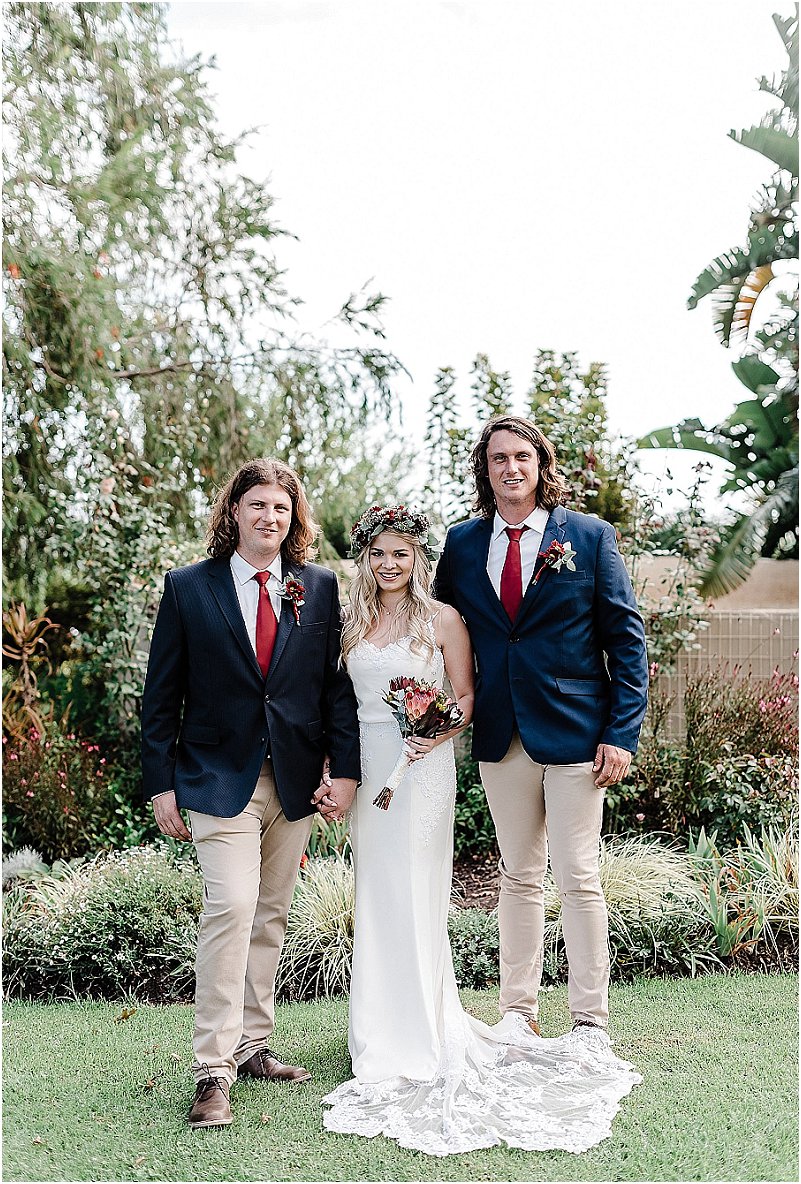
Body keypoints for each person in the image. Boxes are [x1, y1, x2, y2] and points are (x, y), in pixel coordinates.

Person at [319, 504, 641, 1156]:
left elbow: (468, 693)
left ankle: (581, 1021)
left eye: (401, 552)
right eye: (378, 552)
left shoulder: (448, 615)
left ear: (418, 558)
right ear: (364, 557)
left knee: (561, 878)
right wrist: (337, 767)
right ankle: (412, 1022)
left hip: (462, 760)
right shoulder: (354, 618)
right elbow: (335, 702)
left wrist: (432, 731)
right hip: (383, 768)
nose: (389, 563)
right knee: (388, 891)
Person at [141, 458, 360, 1129]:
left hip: (294, 779)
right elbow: (161, 696)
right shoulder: (188, 588)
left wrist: (343, 771)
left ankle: (252, 1044)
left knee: (269, 914)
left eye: (281, 508)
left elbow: (334, 689)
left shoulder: (317, 587)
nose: (270, 517)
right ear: (234, 511)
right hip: (216, 777)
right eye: (257, 504)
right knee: (231, 907)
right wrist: (161, 783)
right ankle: (212, 1070)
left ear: (294, 519)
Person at [434, 415, 649, 1040]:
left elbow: (626, 642)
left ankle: (589, 1020)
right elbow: (438, 626)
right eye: (498, 458)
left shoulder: (589, 536)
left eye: (522, 456)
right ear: (485, 470)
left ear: (540, 464)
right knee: (518, 875)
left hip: (579, 733)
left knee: (579, 877)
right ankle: (517, 1012)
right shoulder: (463, 543)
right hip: (501, 733)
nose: (511, 468)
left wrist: (621, 734)